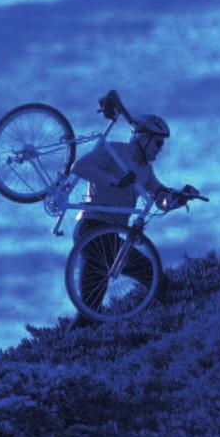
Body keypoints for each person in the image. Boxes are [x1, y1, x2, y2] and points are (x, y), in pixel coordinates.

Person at [67, 112, 189, 329]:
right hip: (92, 228)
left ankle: (71, 350)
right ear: (143, 137)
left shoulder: (145, 170)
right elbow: (79, 167)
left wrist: (178, 199)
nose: (160, 149)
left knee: (90, 309)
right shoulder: (114, 151)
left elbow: (159, 197)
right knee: (154, 279)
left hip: (109, 235)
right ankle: (170, 322)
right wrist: (115, 181)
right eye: (158, 143)